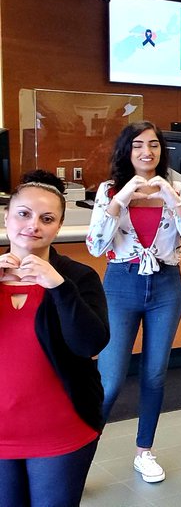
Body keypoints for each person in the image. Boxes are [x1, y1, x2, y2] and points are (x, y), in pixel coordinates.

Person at [86, 121, 181, 484]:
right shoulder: (110, 190)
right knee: (110, 379)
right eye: (138, 145)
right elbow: (95, 246)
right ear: (126, 151)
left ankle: (144, 451)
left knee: (154, 374)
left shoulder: (180, 189)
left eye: (153, 144)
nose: (146, 152)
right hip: (121, 285)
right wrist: (121, 199)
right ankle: (78, 453)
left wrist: (174, 200)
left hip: (166, 287)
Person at [0, 173, 108, 507]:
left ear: (58, 227)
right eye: (24, 214)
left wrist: (59, 287)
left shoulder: (77, 277)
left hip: (60, 430)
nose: (33, 225)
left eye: (47, 219)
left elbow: (89, 344)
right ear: (6, 217)